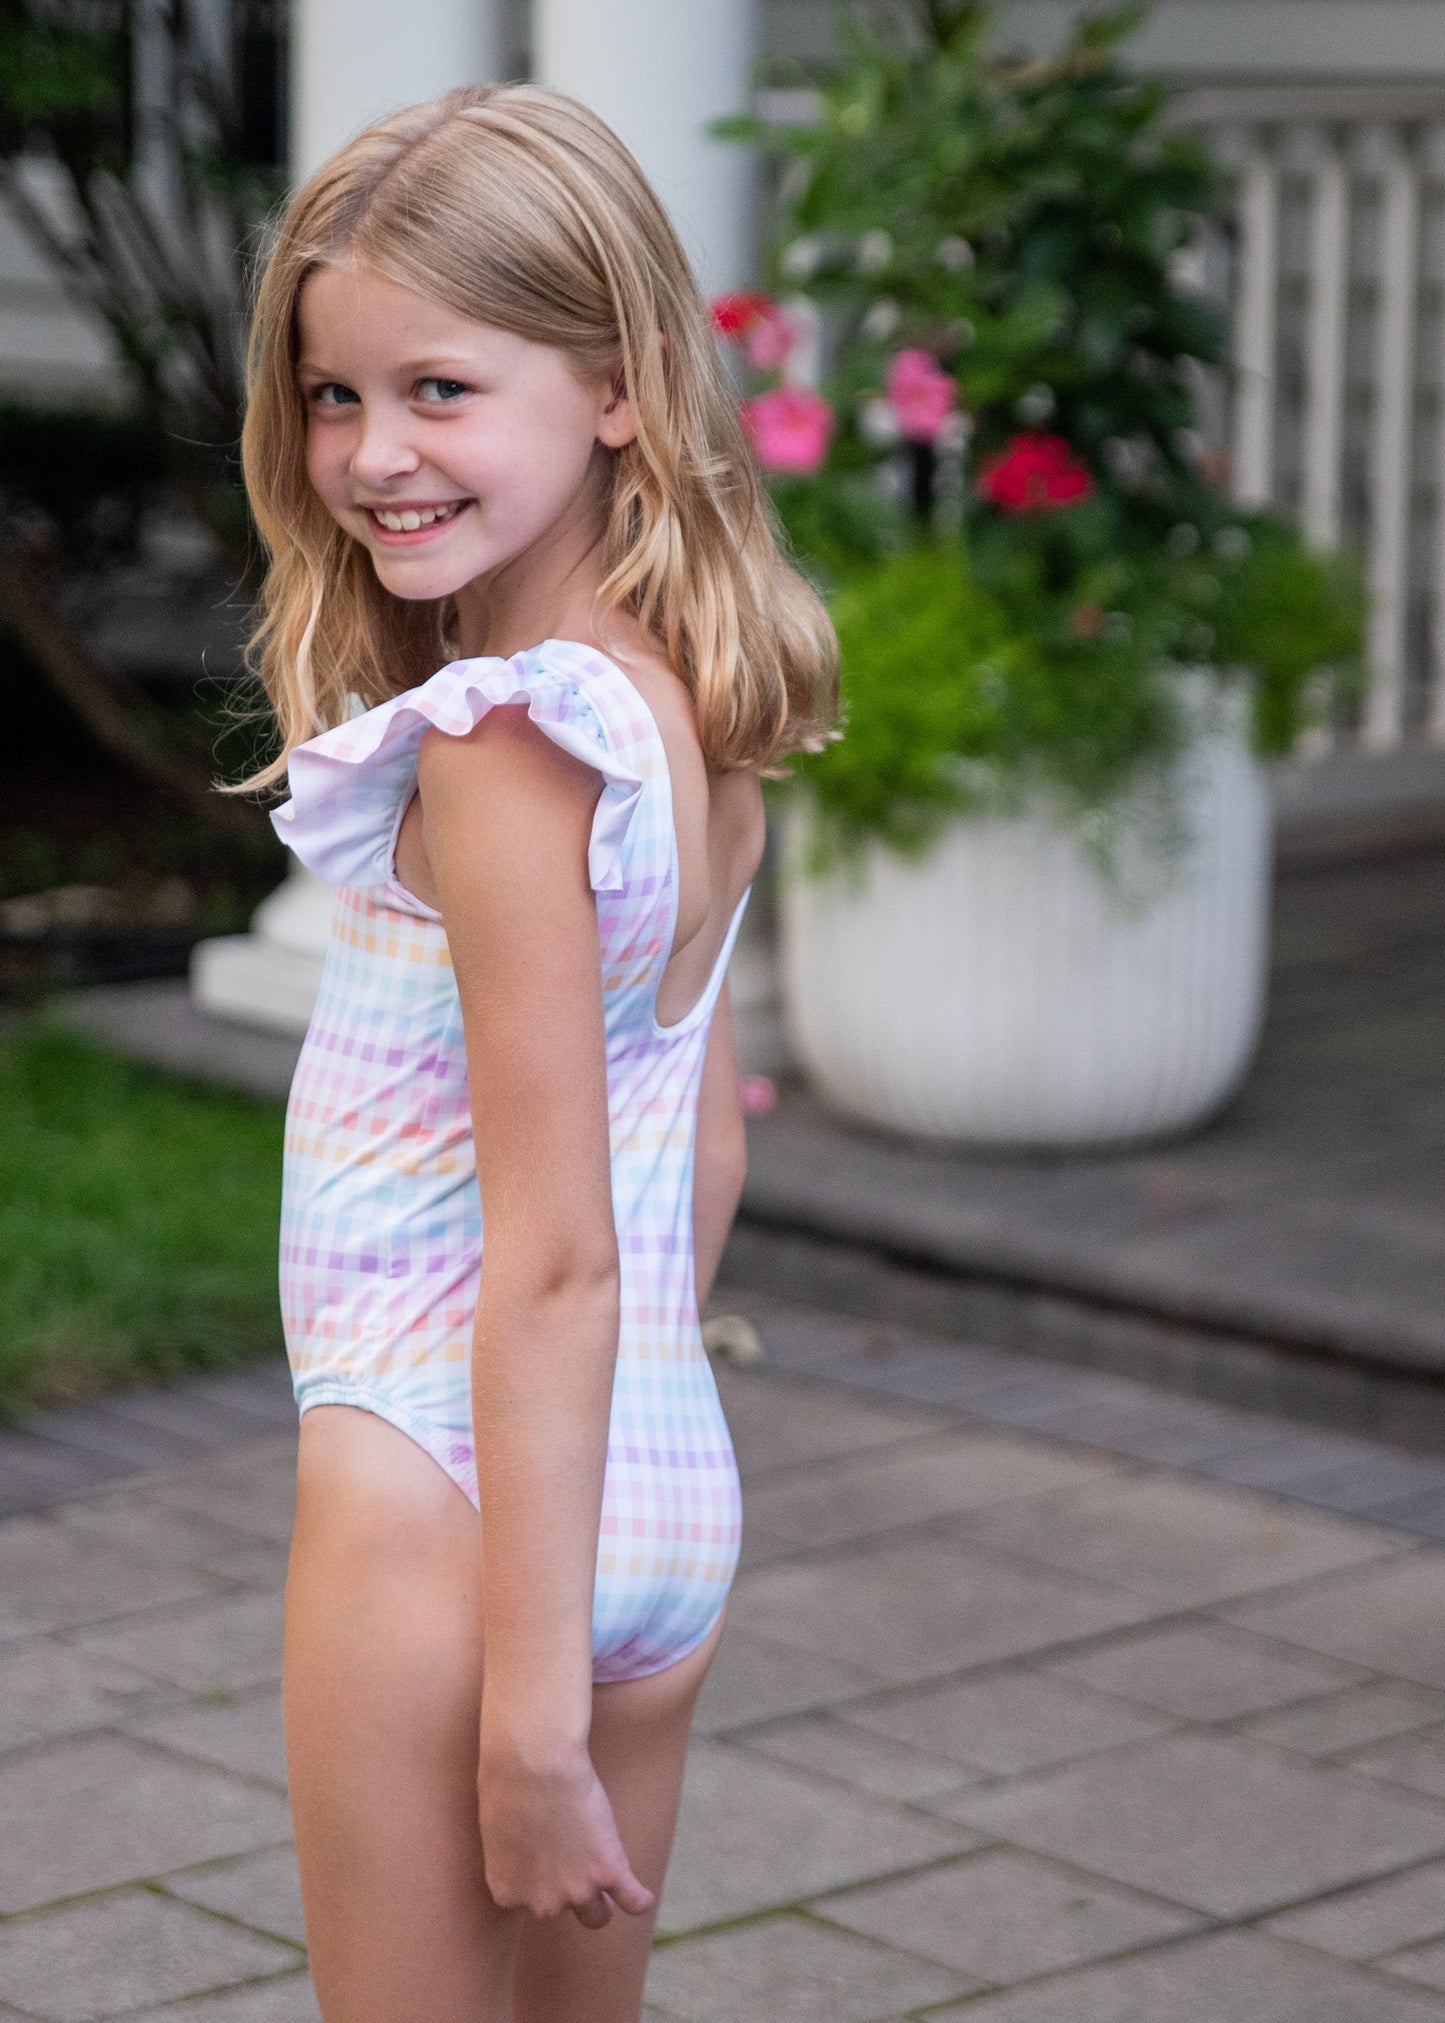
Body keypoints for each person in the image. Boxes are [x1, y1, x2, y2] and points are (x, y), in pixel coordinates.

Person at [234, 83, 837, 2023]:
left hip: (444, 1497)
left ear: (617, 390)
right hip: (657, 1473)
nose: (373, 454)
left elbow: (555, 1252)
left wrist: (527, 1709)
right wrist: (620, 1477)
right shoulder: (690, 709)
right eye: (334, 396)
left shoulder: (498, 744)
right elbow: (704, 1147)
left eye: (440, 390)